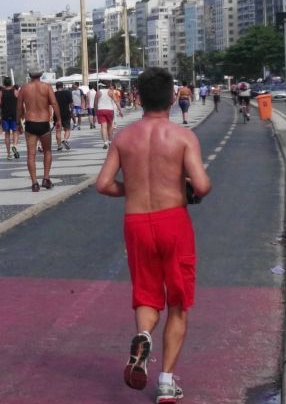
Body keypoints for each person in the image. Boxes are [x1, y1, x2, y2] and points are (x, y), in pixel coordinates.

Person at [95, 66, 211, 404]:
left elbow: (102, 184)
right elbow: (202, 185)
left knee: (146, 295)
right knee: (178, 302)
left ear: (139, 98)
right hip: (173, 220)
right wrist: (187, 187)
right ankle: (165, 383)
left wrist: (131, 189)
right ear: (173, 97)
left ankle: (143, 335)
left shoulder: (124, 137)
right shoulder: (182, 137)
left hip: (136, 222)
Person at [17, 68, 60, 192]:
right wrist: (58, 120)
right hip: (44, 123)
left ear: (30, 76)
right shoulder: (46, 87)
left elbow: (19, 107)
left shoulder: (24, 88)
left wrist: (18, 122)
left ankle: (34, 183)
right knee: (47, 151)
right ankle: (46, 178)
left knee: (31, 154)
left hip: (30, 123)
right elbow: (54, 103)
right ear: (40, 76)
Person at [0, 77, 20, 160]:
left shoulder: (1, 93)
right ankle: (15, 146)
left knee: (7, 134)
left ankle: (9, 154)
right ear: (11, 83)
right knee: (15, 132)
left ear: (4, 84)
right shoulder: (16, 92)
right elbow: (20, 105)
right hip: (14, 115)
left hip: (5, 116)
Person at [95, 81, 123, 149]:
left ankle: (105, 142)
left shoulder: (98, 92)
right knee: (110, 127)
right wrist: (120, 110)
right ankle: (110, 141)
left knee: (103, 127)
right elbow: (116, 101)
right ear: (108, 85)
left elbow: (95, 103)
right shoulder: (111, 92)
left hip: (101, 110)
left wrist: (96, 112)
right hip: (109, 110)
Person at [54, 81, 73, 151]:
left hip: (56, 115)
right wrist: (72, 111)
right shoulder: (67, 93)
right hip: (66, 114)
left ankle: (59, 145)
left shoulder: (54, 94)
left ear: (56, 87)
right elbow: (71, 103)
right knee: (67, 129)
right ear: (62, 86)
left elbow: (51, 105)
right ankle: (65, 139)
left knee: (58, 131)